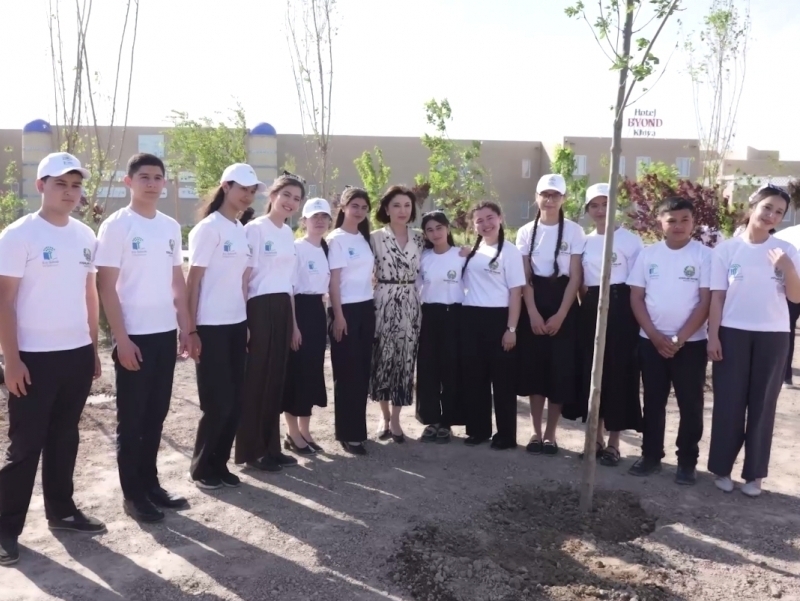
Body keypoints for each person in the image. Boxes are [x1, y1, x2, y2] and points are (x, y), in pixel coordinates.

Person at [0, 153, 105, 567]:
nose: (70, 192)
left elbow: (89, 294)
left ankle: (61, 511)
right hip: (33, 359)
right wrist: (11, 359)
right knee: (25, 444)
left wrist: (93, 347)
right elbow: (4, 301)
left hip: (76, 353)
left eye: (76, 185)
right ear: (41, 185)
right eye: (61, 183)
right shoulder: (18, 235)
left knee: (65, 437)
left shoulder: (84, 235)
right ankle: (5, 527)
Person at [96, 153, 192, 523]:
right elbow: (106, 286)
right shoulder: (117, 226)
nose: (152, 183)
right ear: (129, 181)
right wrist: (121, 338)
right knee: (132, 420)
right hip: (132, 335)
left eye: (158, 177)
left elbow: (176, 281)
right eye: (145, 177)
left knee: (156, 414)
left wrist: (185, 326)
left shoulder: (168, 226)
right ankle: (132, 496)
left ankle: (151, 485)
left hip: (164, 333)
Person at [707, 184, 800, 497]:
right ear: (753, 206)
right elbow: (717, 298)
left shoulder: (787, 251)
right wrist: (713, 335)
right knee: (729, 403)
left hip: (774, 336)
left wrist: (787, 268)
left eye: (779, 212)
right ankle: (722, 469)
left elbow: (795, 296)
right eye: (767, 207)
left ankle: (755, 475)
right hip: (732, 334)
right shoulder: (726, 250)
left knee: (762, 406)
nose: (771, 215)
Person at [185, 164, 262, 489]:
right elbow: (193, 282)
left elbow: (240, 282)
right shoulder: (208, 228)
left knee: (235, 401)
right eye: (241, 187)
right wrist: (190, 329)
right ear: (225, 186)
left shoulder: (239, 229)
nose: (247, 195)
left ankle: (220, 464)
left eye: (252, 189)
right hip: (210, 327)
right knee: (217, 403)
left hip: (235, 324)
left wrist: (244, 322)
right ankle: (202, 469)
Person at [626, 197, 711, 485]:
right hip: (651, 342)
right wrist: (654, 335)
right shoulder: (648, 255)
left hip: (691, 344)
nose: (678, 225)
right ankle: (650, 455)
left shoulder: (704, 256)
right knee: (653, 402)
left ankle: (687, 461)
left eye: (684, 219)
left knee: (690, 405)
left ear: (693, 223)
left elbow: (705, 302)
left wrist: (679, 339)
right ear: (660, 222)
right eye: (671, 220)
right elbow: (636, 298)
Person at [565, 183, 643, 466]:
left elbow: (637, 285)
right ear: (587, 210)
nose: (600, 210)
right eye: (594, 205)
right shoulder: (584, 241)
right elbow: (582, 283)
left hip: (622, 307)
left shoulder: (631, 241)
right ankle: (594, 439)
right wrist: (591, 305)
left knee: (618, 372)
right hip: (591, 307)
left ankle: (613, 443)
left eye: (605, 204)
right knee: (592, 371)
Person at [236, 171, 305, 471]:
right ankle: (252, 451)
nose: (291, 202)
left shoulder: (288, 233)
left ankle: (271, 448)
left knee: (276, 380)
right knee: (257, 382)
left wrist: (294, 324)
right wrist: (245, 322)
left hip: (282, 307)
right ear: (273, 195)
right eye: (286, 195)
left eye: (297, 198)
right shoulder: (255, 229)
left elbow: (288, 282)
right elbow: (244, 277)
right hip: (258, 307)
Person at [516, 174, 585, 456]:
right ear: (537, 197)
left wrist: (561, 315)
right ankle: (534, 431)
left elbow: (575, 277)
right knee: (535, 370)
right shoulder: (525, 232)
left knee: (559, 371)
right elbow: (525, 277)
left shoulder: (574, 231)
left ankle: (550, 434)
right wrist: (531, 312)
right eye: (545, 194)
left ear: (564, 199)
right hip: (534, 300)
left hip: (563, 303)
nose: (550, 199)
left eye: (555, 195)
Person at [461, 201, 526, 450]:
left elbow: (515, 293)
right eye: (479, 220)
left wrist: (511, 329)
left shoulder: (510, 252)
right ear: (473, 225)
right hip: (471, 319)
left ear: (500, 218)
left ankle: (506, 435)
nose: (485, 224)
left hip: (499, 319)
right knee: (475, 378)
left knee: (503, 381)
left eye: (490, 218)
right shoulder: (471, 251)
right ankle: (478, 430)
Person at [370, 185, 424, 443]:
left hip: (411, 302)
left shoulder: (421, 238)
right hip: (383, 299)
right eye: (396, 205)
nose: (402, 210)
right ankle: (383, 416)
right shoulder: (374, 238)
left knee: (405, 361)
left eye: (407, 205)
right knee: (383, 358)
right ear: (386, 209)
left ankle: (397, 417)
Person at [282, 197, 333, 454]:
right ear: (304, 221)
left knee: (311, 374)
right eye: (315, 216)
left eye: (324, 216)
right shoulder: (296, 248)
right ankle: (291, 434)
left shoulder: (325, 248)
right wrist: (293, 327)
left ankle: (305, 430)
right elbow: (289, 289)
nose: (320, 221)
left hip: (316, 311)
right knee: (296, 374)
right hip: (299, 311)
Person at [327, 186, 375, 455]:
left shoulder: (363, 238)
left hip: (365, 309)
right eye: (354, 205)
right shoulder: (337, 239)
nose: (359, 211)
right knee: (346, 374)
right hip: (344, 311)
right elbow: (334, 282)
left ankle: (358, 430)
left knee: (361, 373)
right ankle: (347, 433)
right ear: (343, 207)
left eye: (363, 207)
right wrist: (339, 316)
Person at [415, 211, 465, 443]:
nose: (435, 233)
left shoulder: (462, 255)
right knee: (427, 370)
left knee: (452, 370)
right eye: (429, 229)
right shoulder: (423, 257)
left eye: (439, 227)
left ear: (447, 228)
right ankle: (431, 420)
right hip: (428, 315)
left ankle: (448, 422)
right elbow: (416, 287)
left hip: (454, 315)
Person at [773, 220, 800, 388]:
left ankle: (785, 376)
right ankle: (785, 375)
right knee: (787, 329)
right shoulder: (787, 235)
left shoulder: (786, 235)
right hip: (791, 286)